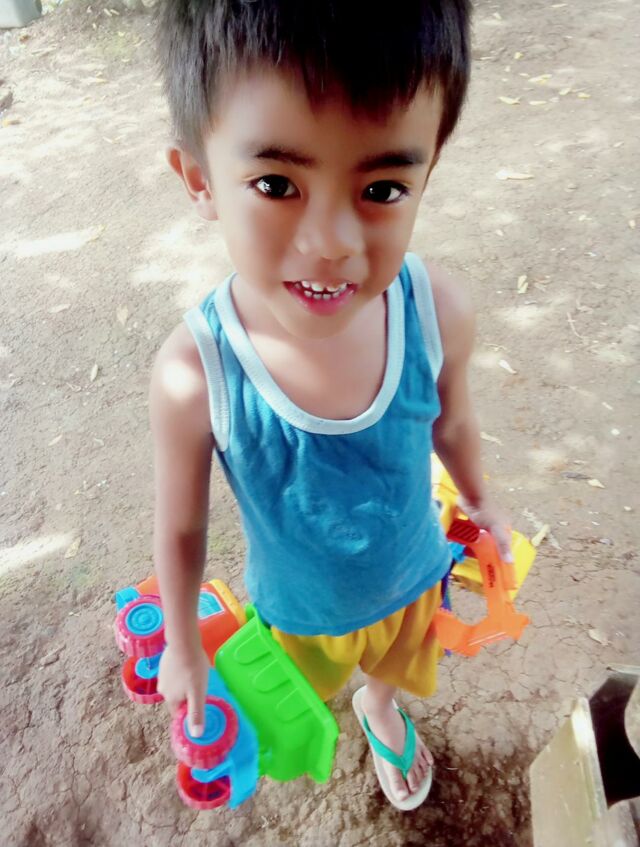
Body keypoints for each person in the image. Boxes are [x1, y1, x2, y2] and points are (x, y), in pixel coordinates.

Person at [150, 0, 512, 810]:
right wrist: (182, 642)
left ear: (428, 170)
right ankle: (345, 701)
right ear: (200, 179)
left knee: (393, 669)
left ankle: (379, 705)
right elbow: (180, 528)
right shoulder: (195, 373)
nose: (332, 242)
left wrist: (481, 499)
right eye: (277, 184)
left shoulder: (437, 312)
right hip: (299, 610)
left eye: (382, 186)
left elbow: (452, 420)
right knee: (304, 692)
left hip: (412, 575)